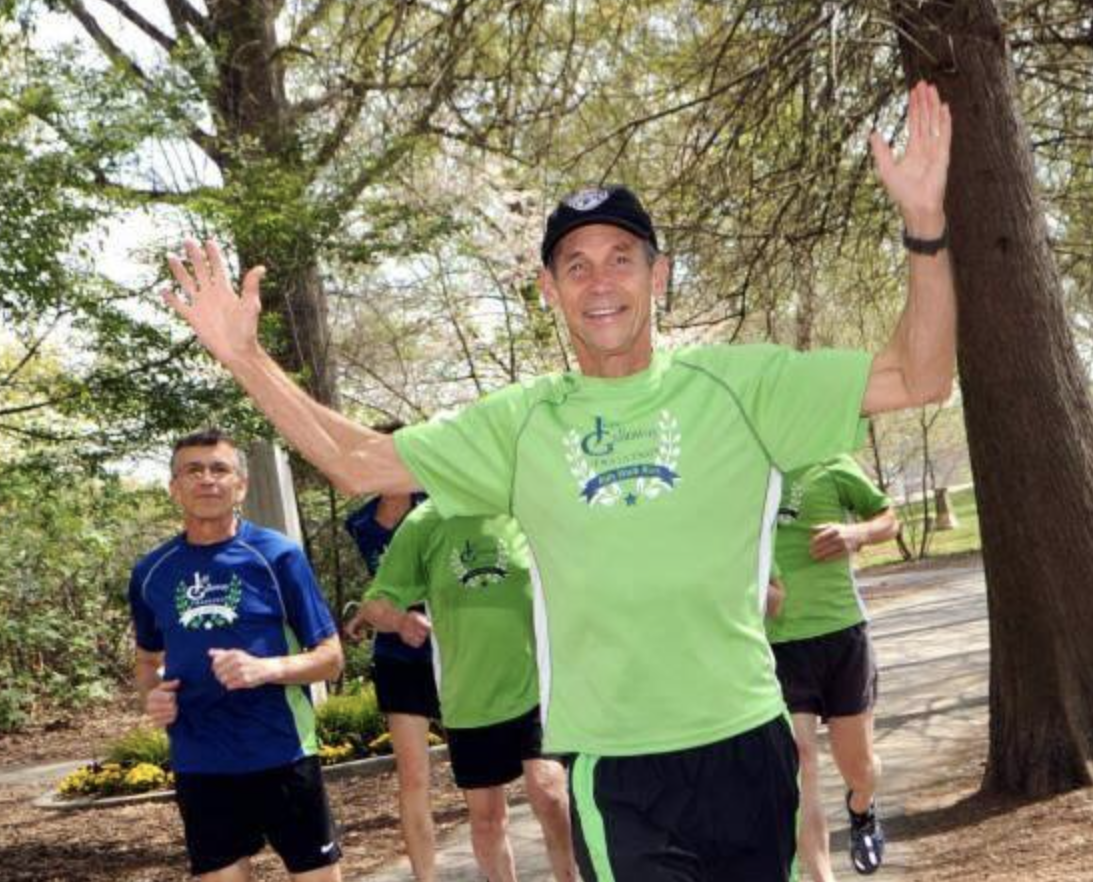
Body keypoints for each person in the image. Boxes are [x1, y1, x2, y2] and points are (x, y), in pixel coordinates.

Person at [160, 81, 954, 882]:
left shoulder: (740, 386)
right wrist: (246, 358)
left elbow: (919, 376)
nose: (599, 282)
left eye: (621, 259)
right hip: (616, 768)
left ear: (659, 275)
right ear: (549, 290)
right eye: (576, 265)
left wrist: (925, 223)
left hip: (745, 742)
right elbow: (359, 461)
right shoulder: (520, 424)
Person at [128, 429, 345, 882]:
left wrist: (266, 668)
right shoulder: (151, 572)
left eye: (219, 469)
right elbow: (147, 661)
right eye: (193, 470)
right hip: (200, 761)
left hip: (282, 750)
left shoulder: (278, 556)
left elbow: (330, 658)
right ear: (174, 488)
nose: (207, 479)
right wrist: (152, 696)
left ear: (240, 486)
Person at [355, 502, 577, 882]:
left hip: (535, 686)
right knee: (488, 820)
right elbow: (375, 602)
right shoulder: (424, 522)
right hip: (468, 699)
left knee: (549, 791)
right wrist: (400, 620)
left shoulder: (517, 501)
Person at [768, 453, 900, 878]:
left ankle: (862, 807)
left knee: (860, 768)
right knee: (801, 761)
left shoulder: (829, 460)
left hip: (842, 634)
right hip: (779, 643)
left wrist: (855, 533)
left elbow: (889, 519)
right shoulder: (744, 463)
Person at [342, 475, 441, 882]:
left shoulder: (438, 504)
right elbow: (382, 584)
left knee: (481, 779)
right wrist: (368, 614)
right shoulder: (359, 522)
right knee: (413, 775)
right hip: (396, 654)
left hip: (449, 645)